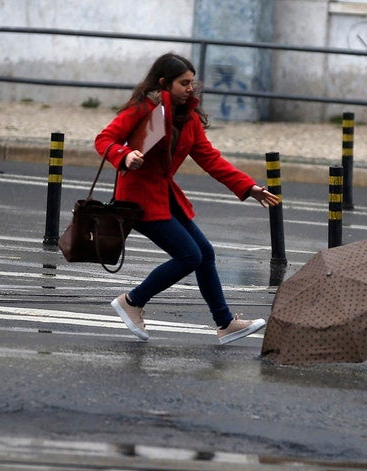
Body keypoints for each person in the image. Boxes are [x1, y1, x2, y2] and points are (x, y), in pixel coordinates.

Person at [94, 53, 280, 344]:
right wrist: (125, 154)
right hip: (138, 200)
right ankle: (132, 301)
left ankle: (225, 323)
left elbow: (211, 160)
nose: (191, 89)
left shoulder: (188, 118)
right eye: (184, 83)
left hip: (164, 197)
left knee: (204, 253)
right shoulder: (144, 108)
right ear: (164, 82)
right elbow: (104, 139)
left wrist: (248, 187)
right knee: (189, 255)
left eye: (192, 83)